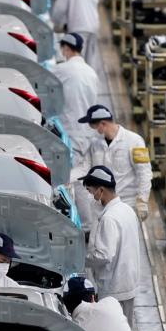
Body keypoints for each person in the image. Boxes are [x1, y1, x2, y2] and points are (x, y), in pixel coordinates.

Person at [79, 166, 140, 326]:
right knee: (126, 330)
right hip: (127, 282)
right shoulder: (126, 210)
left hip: (113, 287)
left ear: (101, 190)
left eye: (91, 191)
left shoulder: (109, 218)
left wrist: (80, 259)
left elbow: (104, 255)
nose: (91, 195)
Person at [52, 32, 100, 233]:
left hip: (70, 130)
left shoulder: (63, 69)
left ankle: (82, 225)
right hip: (86, 131)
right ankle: (86, 224)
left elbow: (45, 83)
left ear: (65, 49)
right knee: (80, 176)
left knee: (70, 178)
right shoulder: (91, 72)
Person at [79, 104, 152, 221]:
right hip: (102, 206)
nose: (92, 130)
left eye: (93, 126)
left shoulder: (135, 141)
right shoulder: (95, 143)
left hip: (127, 205)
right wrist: (64, 179)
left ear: (103, 124)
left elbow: (144, 173)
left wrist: (142, 201)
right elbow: (83, 168)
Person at [51, 0, 100, 66]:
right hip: (93, 28)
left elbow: (60, 8)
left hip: (78, 28)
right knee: (89, 65)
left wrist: (54, 23)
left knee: (76, 64)